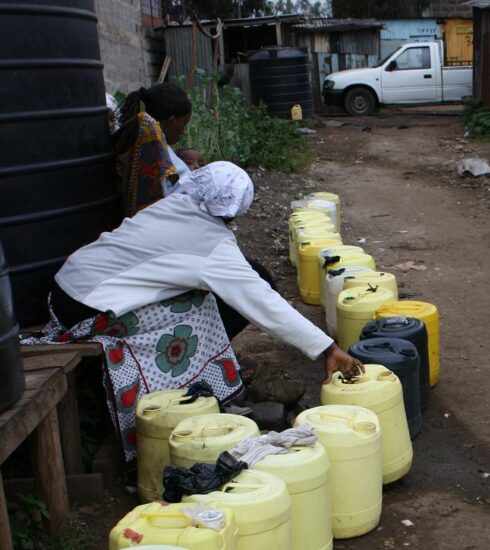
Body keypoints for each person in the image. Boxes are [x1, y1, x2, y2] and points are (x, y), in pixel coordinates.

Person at [27, 162, 362, 460]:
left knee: (226, 285)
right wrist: (326, 348)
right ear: (235, 211)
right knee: (204, 309)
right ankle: (187, 379)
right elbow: (264, 303)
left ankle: (201, 366)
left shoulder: (173, 205)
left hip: (65, 291)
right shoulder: (213, 246)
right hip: (88, 311)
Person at [113, 83, 193, 217]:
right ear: (171, 121)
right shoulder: (160, 160)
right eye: (184, 124)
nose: (184, 131)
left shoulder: (138, 148)